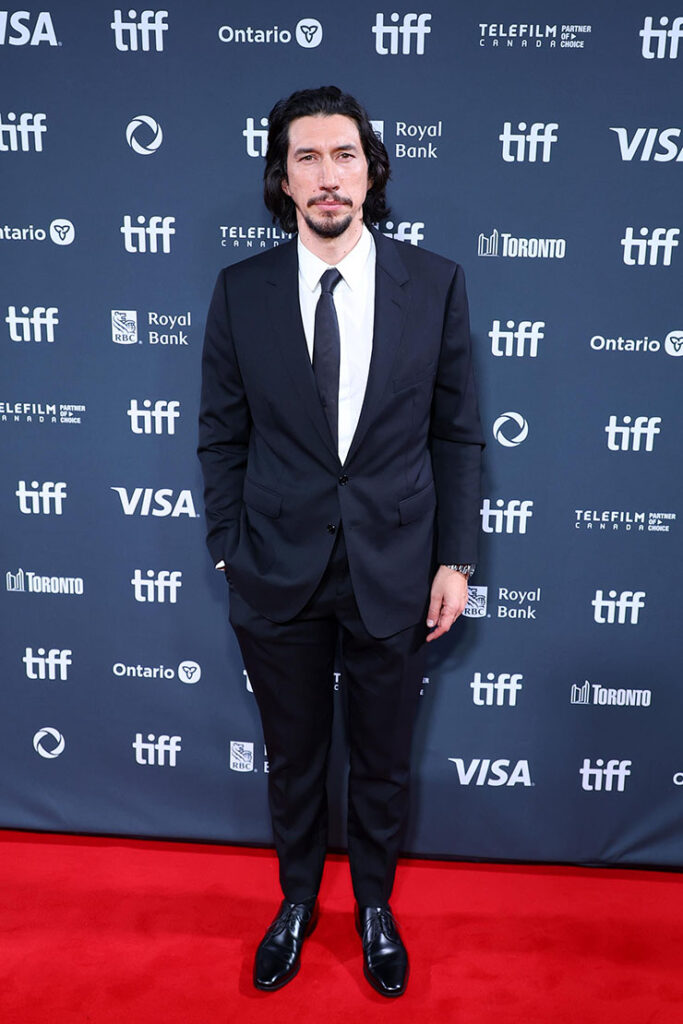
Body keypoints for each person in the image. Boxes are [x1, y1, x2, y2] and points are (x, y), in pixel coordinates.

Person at [198, 85, 484, 998]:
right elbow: (220, 431)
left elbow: (456, 430)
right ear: (281, 179)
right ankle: (294, 901)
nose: (329, 176)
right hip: (274, 566)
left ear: (372, 170)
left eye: (345, 155)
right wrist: (225, 544)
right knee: (293, 757)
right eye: (308, 158)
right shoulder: (239, 291)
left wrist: (455, 557)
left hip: (394, 565)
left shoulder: (432, 281)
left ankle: (371, 907)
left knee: (383, 757)